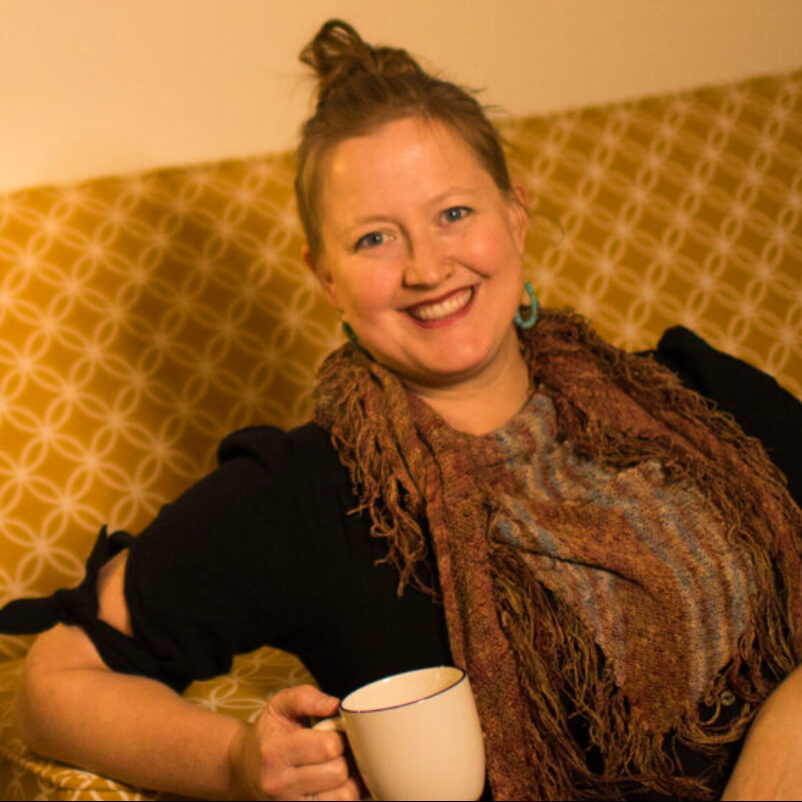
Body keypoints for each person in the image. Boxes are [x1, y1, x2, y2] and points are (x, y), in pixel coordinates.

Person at [1, 18, 802, 802]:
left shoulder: (694, 392)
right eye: (374, 240)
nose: (426, 268)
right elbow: (56, 683)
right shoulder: (307, 497)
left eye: (454, 214)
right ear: (325, 277)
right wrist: (238, 761)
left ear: (515, 215)